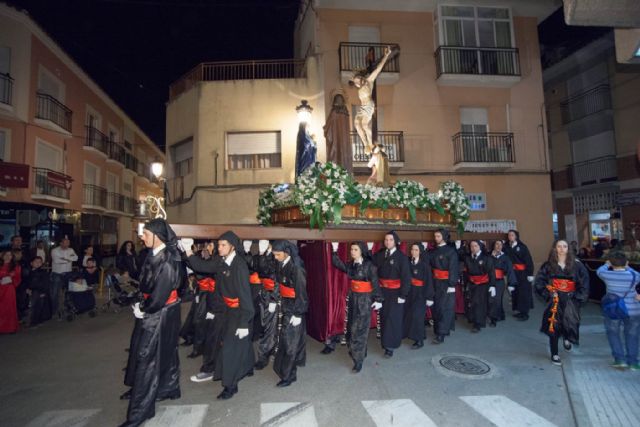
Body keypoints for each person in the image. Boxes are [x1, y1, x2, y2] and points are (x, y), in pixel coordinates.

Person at [119, 219, 184, 427]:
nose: (142, 237)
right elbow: (146, 283)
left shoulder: (168, 260)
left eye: (146, 234)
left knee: (148, 358)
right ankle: (169, 387)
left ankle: (140, 412)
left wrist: (144, 309)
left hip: (160, 311)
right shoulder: (152, 254)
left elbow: (160, 293)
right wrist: (139, 301)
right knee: (160, 349)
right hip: (153, 307)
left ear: (158, 236)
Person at [186, 231, 254, 400]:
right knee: (231, 343)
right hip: (224, 311)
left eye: (223, 245)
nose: (220, 248)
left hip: (239, 312)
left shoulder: (239, 265)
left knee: (229, 349)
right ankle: (247, 366)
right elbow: (201, 266)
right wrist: (187, 249)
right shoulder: (221, 261)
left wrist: (244, 322)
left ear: (232, 247)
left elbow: (245, 296)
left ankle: (230, 386)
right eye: (219, 245)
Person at [328, 241, 382, 372]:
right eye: (351, 249)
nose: (352, 252)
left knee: (360, 329)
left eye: (355, 249)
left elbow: (375, 282)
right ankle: (359, 352)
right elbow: (338, 264)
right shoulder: (351, 265)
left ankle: (358, 360)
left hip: (364, 300)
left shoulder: (369, 266)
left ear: (361, 251)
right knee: (352, 327)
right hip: (353, 299)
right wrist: (334, 250)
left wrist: (378, 299)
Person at [534, 239, 589, 366]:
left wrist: (577, 296)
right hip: (555, 299)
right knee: (553, 325)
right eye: (559, 246)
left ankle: (567, 338)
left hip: (571, 299)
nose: (562, 249)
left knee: (570, 322)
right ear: (555, 249)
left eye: (564, 246)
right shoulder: (548, 265)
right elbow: (539, 282)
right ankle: (554, 353)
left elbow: (584, 283)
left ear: (568, 248)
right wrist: (548, 293)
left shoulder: (577, 265)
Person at [272, 240, 308, 386]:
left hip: (294, 308)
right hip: (286, 305)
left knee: (290, 343)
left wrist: (298, 314)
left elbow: (302, 293)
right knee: (286, 340)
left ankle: (288, 376)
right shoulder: (281, 263)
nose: (275, 257)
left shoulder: (296, 268)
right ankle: (287, 370)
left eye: (277, 254)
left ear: (286, 253)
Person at [596, 252, 640, 370]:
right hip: (633, 310)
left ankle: (620, 359)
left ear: (611, 263)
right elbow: (636, 273)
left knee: (613, 333)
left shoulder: (606, 274)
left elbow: (599, 270)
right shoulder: (635, 276)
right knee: (632, 335)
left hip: (613, 310)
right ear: (626, 262)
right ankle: (633, 362)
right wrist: (627, 266)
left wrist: (607, 264)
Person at [350, 46, 395, 154]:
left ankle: (370, 144)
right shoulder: (359, 88)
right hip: (362, 107)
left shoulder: (369, 80)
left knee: (365, 125)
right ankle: (365, 144)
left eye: (358, 80)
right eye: (356, 82)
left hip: (369, 105)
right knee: (356, 123)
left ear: (362, 78)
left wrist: (386, 55)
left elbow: (378, 69)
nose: (358, 83)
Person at [373, 231, 411, 358]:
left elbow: (406, 277)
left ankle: (390, 346)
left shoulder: (402, 257)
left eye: (390, 240)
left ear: (395, 242)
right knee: (384, 317)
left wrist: (403, 295)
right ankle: (385, 342)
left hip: (396, 293)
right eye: (386, 240)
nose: (387, 242)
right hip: (383, 292)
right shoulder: (380, 255)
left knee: (392, 319)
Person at [428, 228, 459, 344]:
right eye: (435, 236)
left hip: (446, 283)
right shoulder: (433, 251)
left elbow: (453, 268)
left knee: (445, 308)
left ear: (444, 237)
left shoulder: (451, 251)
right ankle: (439, 330)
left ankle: (441, 333)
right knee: (436, 307)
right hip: (435, 282)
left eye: (438, 236)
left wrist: (452, 284)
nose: (436, 239)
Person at [254, 240, 280, 370]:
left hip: (272, 296)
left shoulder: (277, 256)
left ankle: (264, 355)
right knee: (266, 324)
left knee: (270, 326)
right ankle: (271, 350)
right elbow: (260, 271)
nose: (261, 245)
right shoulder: (263, 255)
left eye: (264, 243)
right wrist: (261, 254)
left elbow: (277, 278)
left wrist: (274, 299)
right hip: (265, 294)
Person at [403, 242, 434, 348]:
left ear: (420, 252)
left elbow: (429, 282)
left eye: (416, 250)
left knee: (418, 317)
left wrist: (429, 297)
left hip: (420, 294)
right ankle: (407, 334)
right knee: (409, 315)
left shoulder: (425, 266)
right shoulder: (407, 262)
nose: (413, 252)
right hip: (409, 293)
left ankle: (419, 340)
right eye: (412, 249)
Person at [463, 240, 495, 333]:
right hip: (471, 283)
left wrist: (492, 285)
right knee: (471, 302)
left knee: (479, 303)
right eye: (472, 246)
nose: (473, 248)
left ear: (480, 246)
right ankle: (472, 318)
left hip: (482, 284)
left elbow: (491, 272)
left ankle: (478, 323)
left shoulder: (486, 258)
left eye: (476, 246)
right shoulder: (468, 258)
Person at [504, 230, 534, 321]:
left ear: (516, 236)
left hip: (523, 273)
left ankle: (525, 313)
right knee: (515, 292)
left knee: (523, 293)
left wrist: (530, 273)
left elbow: (528, 260)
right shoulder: (506, 247)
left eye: (512, 235)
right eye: (509, 235)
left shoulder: (522, 247)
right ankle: (519, 311)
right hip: (512, 273)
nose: (510, 236)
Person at [50, 236, 78, 319]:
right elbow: (57, 261)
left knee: (68, 292)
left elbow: (75, 258)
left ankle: (67, 307)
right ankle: (54, 310)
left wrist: (64, 258)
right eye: (66, 242)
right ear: (61, 243)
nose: (68, 244)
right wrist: (69, 259)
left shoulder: (71, 250)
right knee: (55, 293)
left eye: (68, 242)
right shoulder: (55, 251)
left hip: (68, 273)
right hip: (57, 274)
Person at [490, 240, 517, 324]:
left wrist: (511, 283)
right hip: (489, 281)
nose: (498, 246)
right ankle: (500, 315)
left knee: (497, 299)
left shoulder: (505, 257)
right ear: (493, 245)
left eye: (500, 245)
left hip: (499, 281)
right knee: (491, 299)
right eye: (496, 244)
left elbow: (509, 270)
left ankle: (494, 318)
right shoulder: (488, 255)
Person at [24, 256, 51, 327]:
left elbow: (46, 283)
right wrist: (27, 288)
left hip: (39, 292)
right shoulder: (29, 272)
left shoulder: (43, 272)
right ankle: (31, 320)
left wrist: (43, 292)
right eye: (36, 262)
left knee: (38, 307)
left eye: (40, 262)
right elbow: (26, 282)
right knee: (32, 306)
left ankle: (35, 321)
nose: (38, 263)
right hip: (31, 291)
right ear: (31, 263)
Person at [0, 251, 21, 333]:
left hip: (9, 289)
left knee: (9, 308)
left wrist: (10, 279)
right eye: (6, 255)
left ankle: (10, 327)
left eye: (10, 255)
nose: (8, 257)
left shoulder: (16, 266)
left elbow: (18, 279)